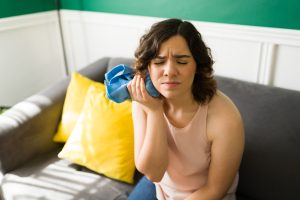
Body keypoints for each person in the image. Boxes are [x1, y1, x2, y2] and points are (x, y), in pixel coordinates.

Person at [127, 18, 244, 200]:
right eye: (159, 62)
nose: (169, 71)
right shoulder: (143, 102)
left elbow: (215, 190)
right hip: (161, 188)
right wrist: (155, 111)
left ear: (197, 66)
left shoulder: (225, 117)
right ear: (148, 67)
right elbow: (153, 174)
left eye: (181, 62)